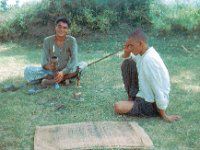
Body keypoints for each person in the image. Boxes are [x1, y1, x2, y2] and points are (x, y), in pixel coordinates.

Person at [114, 28, 181, 122]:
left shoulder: (149, 60)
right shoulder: (143, 53)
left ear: (141, 44)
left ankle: (153, 111)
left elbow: (158, 89)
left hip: (151, 103)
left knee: (118, 106)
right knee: (127, 64)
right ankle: (132, 98)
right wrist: (127, 51)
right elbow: (126, 57)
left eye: (131, 46)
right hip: (144, 94)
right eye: (128, 46)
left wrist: (164, 115)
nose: (130, 48)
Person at [24, 16, 85, 87]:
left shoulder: (72, 40)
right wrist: (50, 67)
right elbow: (43, 62)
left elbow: (74, 61)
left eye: (64, 28)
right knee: (28, 70)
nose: (61, 29)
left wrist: (62, 72)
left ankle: (52, 80)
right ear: (55, 27)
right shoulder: (47, 40)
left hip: (65, 71)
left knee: (83, 65)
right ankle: (61, 79)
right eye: (59, 26)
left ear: (67, 30)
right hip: (51, 71)